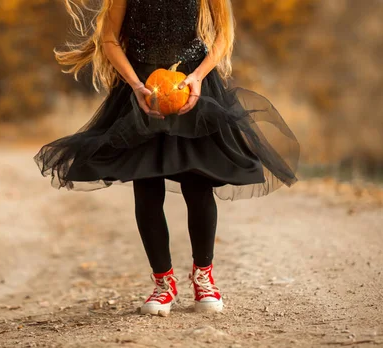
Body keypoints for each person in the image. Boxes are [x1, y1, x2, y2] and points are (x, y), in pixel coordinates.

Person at [34, 0, 300, 315]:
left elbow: (222, 36)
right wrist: (134, 84)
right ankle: (163, 284)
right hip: (143, 90)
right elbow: (108, 38)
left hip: (193, 86)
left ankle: (204, 277)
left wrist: (199, 76)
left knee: (197, 183)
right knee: (146, 186)